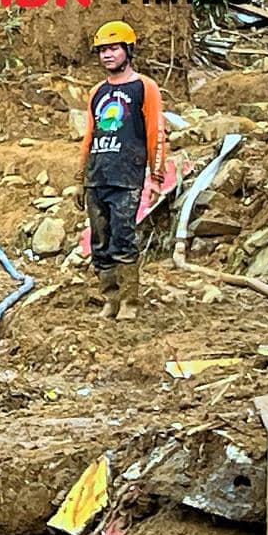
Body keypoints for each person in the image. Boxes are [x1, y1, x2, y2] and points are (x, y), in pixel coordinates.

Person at [75, 21, 165, 321]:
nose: (107, 55)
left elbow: (155, 132)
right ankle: (110, 299)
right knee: (100, 241)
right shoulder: (97, 92)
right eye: (102, 50)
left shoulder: (144, 87)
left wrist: (155, 174)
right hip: (97, 174)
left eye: (113, 49)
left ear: (128, 50)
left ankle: (130, 302)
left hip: (127, 175)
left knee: (123, 237)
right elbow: (90, 135)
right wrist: (80, 177)